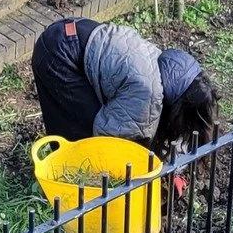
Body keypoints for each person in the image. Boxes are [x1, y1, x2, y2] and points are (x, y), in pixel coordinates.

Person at [29, 18, 219, 156]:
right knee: (83, 136)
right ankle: (68, 179)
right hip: (59, 54)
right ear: (180, 109)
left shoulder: (162, 66)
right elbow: (107, 135)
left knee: (74, 119)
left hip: (70, 30)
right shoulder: (147, 94)